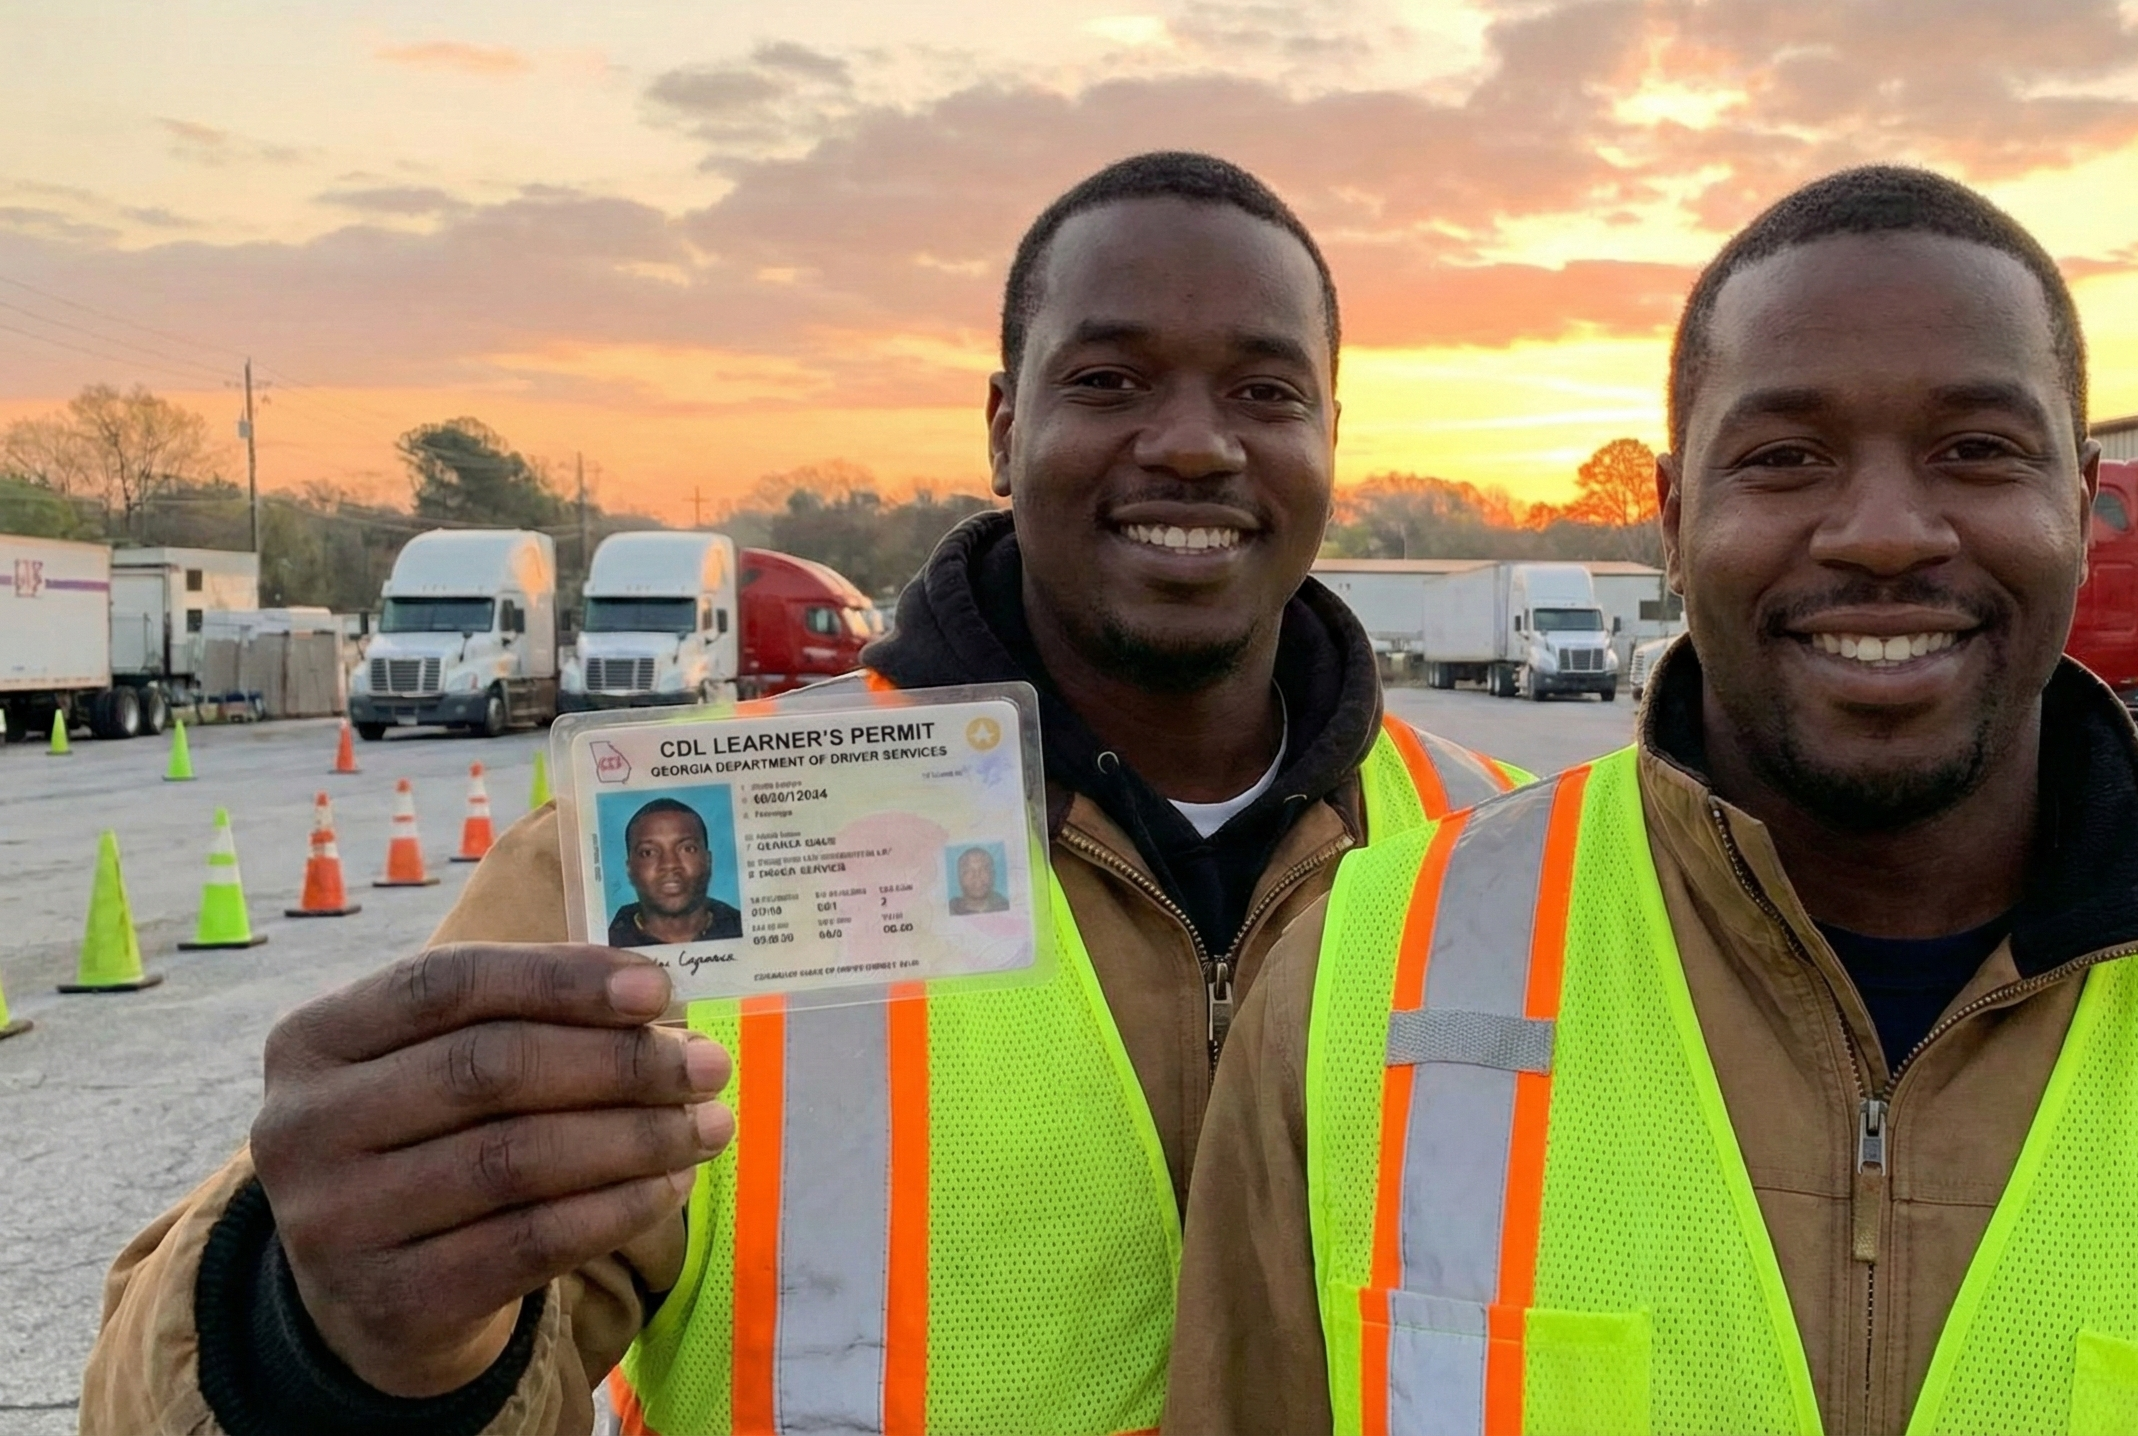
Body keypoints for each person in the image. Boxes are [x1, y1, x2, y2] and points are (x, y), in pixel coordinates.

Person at [81, 152, 1530, 1436]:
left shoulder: (1503, 860)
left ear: (1332, 433)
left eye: (1266, 392)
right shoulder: (682, 834)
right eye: (1110, 380)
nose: (1197, 442)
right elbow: (230, 1377)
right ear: (1001, 422)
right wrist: (318, 1336)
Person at [1167, 167, 2138, 1434]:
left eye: (1975, 451)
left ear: (2082, 503)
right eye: (1785, 457)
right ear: (1672, 521)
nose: (1883, 534)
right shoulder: (1361, 991)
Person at [605, 800, 744, 948]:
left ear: (708, 860)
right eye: (648, 852)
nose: (670, 864)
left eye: (687, 849)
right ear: (630, 868)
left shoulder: (745, 929)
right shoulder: (607, 947)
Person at [947, 845, 1011, 916]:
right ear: (959, 878)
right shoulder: (949, 911)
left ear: (993, 875)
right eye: (968, 871)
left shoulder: (1007, 907)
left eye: (984, 869)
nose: (977, 875)